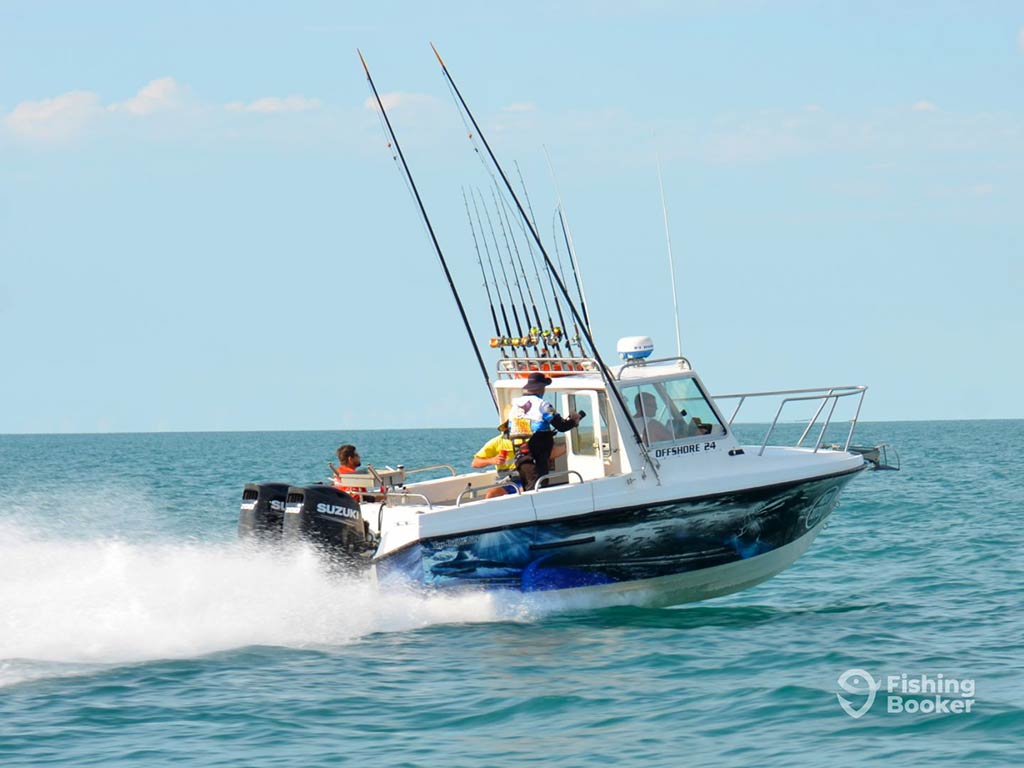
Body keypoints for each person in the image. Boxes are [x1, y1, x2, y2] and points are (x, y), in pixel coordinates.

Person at [508, 372, 583, 491]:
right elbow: (561, 426)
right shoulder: (544, 405)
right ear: (540, 388)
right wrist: (574, 421)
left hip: (519, 451)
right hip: (537, 452)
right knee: (540, 484)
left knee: (528, 483)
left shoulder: (515, 405)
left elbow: (509, 427)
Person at [472, 420, 567, 499]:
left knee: (524, 492)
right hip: (507, 481)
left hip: (528, 478)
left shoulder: (532, 439)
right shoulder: (497, 442)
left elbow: (550, 454)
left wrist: (570, 445)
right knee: (491, 494)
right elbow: (475, 463)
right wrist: (492, 460)